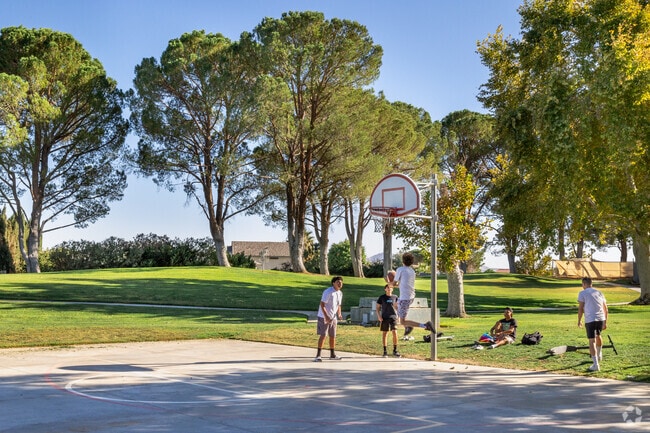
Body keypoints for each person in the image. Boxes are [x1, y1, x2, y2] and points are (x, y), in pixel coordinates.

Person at [390, 252, 434, 339]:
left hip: (405, 299)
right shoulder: (412, 271)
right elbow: (402, 284)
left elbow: (394, 283)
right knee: (395, 304)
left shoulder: (400, 270)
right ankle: (408, 327)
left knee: (402, 321)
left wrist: (388, 282)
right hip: (411, 296)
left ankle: (425, 325)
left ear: (402, 261)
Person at [577, 277, 608, 372]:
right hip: (601, 318)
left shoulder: (582, 293)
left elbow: (581, 308)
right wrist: (605, 322)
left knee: (592, 341)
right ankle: (599, 354)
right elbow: (605, 308)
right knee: (598, 335)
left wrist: (579, 320)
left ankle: (595, 364)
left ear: (584, 284)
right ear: (591, 283)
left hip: (590, 319)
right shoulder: (599, 293)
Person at [314, 276, 344, 362]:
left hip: (333, 317)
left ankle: (332, 354)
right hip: (323, 316)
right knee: (323, 335)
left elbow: (339, 305)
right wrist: (326, 316)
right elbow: (322, 304)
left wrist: (339, 314)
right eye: (338, 282)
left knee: (333, 336)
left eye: (341, 282)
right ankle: (318, 355)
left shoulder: (340, 293)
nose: (340, 283)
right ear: (333, 283)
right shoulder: (328, 292)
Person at [376, 284, 400, 357]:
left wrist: (398, 316)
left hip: (393, 317)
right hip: (385, 317)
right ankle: (385, 351)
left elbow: (397, 307)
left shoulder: (395, 297)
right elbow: (377, 308)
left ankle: (395, 350)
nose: (389, 289)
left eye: (391, 288)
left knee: (395, 332)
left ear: (392, 289)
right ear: (385, 289)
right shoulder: (382, 297)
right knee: (385, 333)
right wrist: (379, 316)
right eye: (388, 288)